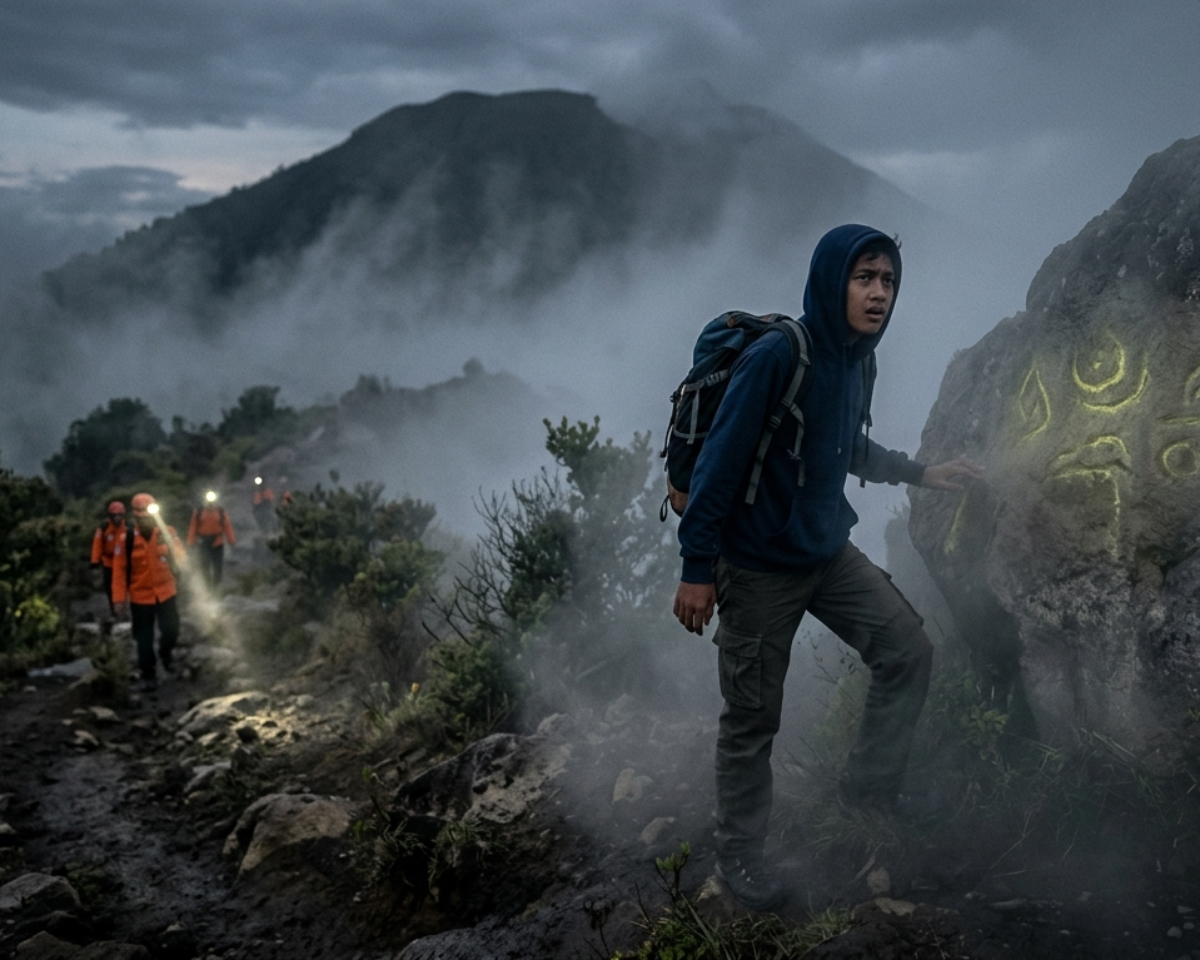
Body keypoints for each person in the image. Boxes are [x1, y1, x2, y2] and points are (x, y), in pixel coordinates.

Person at [673, 224, 982, 912]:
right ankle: (740, 856)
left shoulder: (854, 360)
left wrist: (921, 472)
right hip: (754, 568)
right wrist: (698, 567)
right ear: (831, 280)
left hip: (823, 552)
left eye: (888, 281)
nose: (878, 294)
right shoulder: (780, 357)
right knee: (753, 719)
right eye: (864, 277)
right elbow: (720, 465)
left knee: (907, 650)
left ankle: (868, 789)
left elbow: (843, 443)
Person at [113, 492, 187, 690]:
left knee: (172, 629)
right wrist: (119, 599)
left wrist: (173, 550)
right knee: (143, 638)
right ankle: (149, 673)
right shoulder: (126, 538)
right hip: (140, 597)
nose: (146, 521)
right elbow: (119, 571)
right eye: (142, 517)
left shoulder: (167, 532)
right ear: (135, 516)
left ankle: (166, 654)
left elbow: (180, 557)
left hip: (166, 591)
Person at [187, 490, 236, 587]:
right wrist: (190, 542)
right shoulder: (199, 512)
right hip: (203, 542)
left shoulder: (221, 512)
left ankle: (217, 585)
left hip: (217, 542)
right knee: (205, 565)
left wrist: (231, 540)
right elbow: (193, 527)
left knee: (217, 566)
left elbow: (227, 526)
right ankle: (208, 585)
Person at [90, 500, 126, 617]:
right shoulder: (104, 528)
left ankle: (127, 610)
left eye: (119, 515)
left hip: (124, 563)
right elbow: (97, 544)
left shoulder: (128, 527)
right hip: (108, 563)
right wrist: (95, 561)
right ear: (110, 516)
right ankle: (114, 611)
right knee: (109, 588)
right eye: (114, 515)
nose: (117, 518)